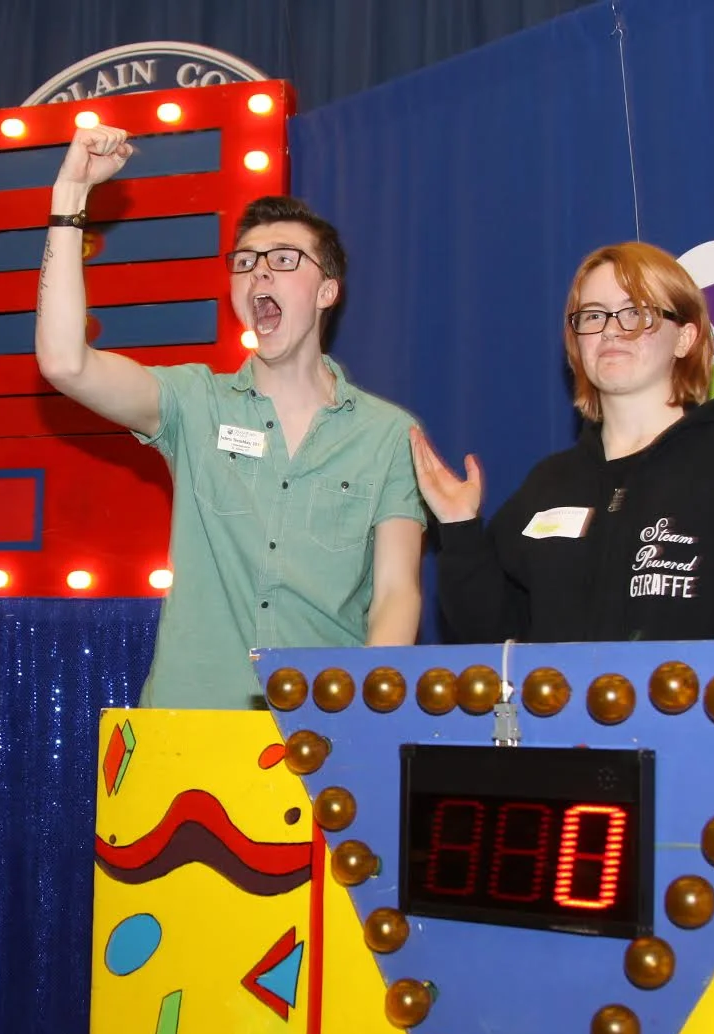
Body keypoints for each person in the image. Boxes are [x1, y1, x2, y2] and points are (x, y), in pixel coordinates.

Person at [35, 125, 426, 710]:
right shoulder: (194, 401)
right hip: (190, 724)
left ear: (327, 291)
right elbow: (65, 363)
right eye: (245, 262)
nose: (259, 272)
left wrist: (363, 715)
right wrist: (69, 198)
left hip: (319, 726)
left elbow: (397, 593)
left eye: (284, 260)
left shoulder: (388, 434)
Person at [414, 240, 714, 644]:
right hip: (561, 731)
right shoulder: (550, 483)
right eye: (593, 315)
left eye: (636, 313)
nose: (611, 331)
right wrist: (459, 528)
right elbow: (489, 637)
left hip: (700, 727)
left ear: (685, 338)